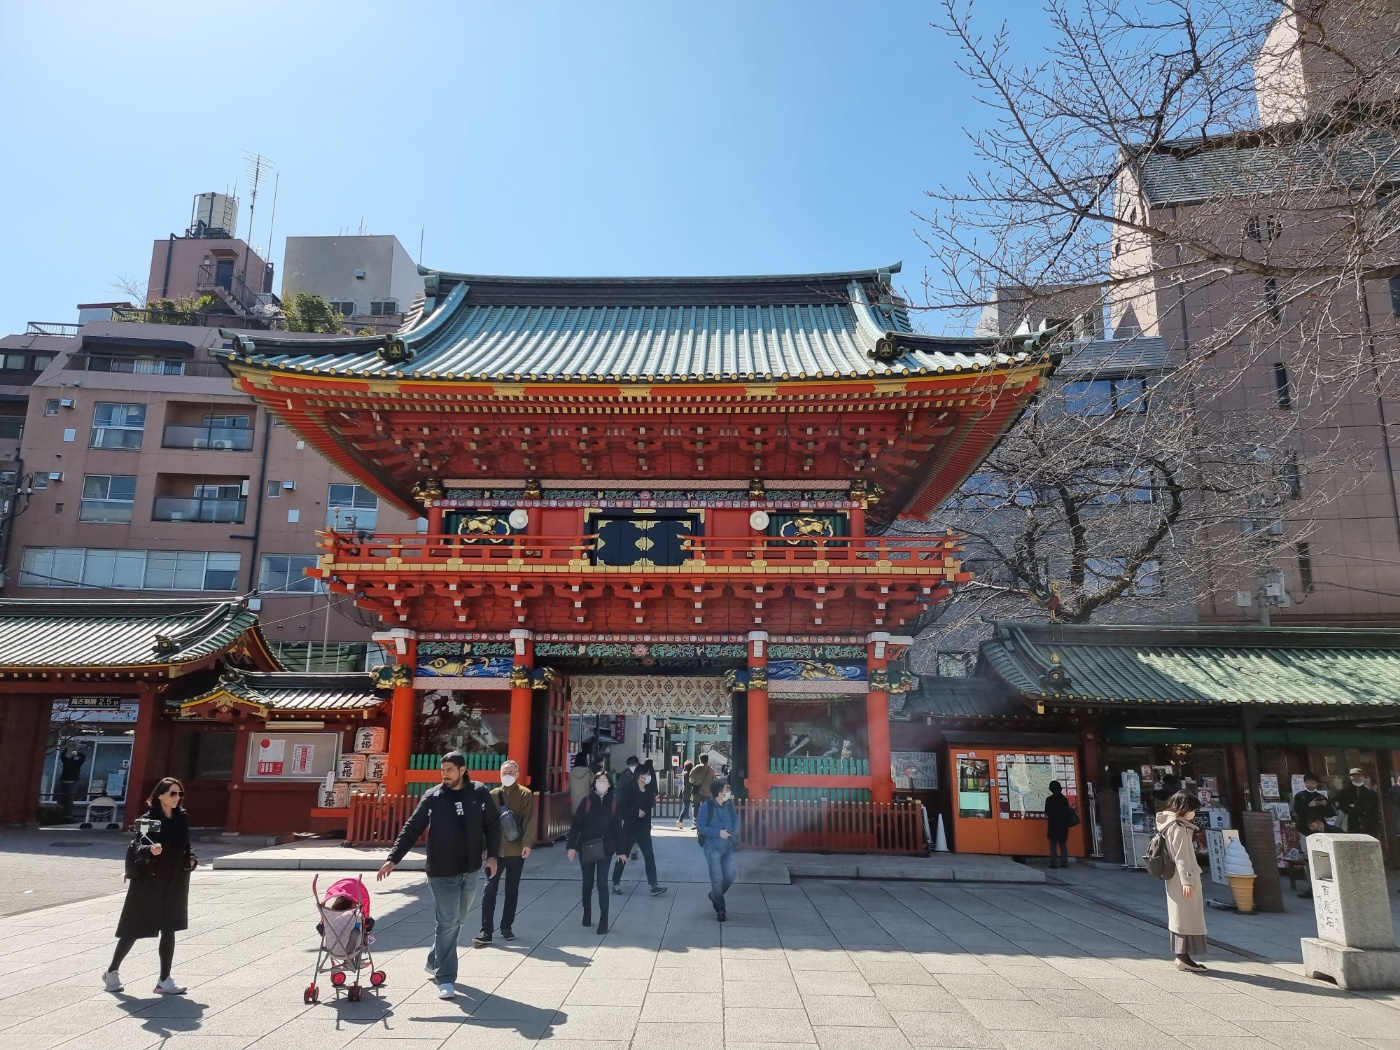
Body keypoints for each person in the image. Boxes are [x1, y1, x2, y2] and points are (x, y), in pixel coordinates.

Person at [378, 752, 500, 1000]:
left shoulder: (479, 793)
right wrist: (393, 858)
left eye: (450, 770)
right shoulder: (433, 797)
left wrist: (492, 856)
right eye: (443, 770)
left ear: (462, 770)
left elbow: (492, 825)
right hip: (441, 872)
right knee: (448, 921)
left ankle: (434, 959)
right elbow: (412, 827)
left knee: (458, 920)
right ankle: (445, 977)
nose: (445, 774)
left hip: (470, 869)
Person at [102, 777, 196, 995]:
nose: (177, 797)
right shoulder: (148, 819)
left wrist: (192, 859)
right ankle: (112, 971)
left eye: (180, 793)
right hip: (150, 880)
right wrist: (150, 850)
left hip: (175, 878)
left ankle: (164, 980)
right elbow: (137, 846)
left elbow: (186, 844)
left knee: (170, 927)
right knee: (134, 927)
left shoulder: (181, 817)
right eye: (172, 793)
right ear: (160, 795)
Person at [475, 759, 535, 945]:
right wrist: (482, 847)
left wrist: (527, 843)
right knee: (489, 888)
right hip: (495, 850)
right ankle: (486, 930)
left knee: (512, 889)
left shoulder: (525, 794)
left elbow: (529, 820)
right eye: (504, 772)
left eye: (511, 772)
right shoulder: (493, 794)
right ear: (499, 775)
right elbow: (484, 823)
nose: (507, 775)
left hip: (516, 849)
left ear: (517, 774)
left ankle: (506, 927)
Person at [566, 766, 626, 934]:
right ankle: (587, 912)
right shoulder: (586, 802)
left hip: (606, 848)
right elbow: (576, 825)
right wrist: (571, 846)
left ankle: (603, 919)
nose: (601, 783)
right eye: (598, 781)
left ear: (609, 784)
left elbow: (618, 828)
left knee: (602, 883)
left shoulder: (614, 803)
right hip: (586, 846)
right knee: (587, 883)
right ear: (593, 784)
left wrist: (621, 850)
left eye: (604, 781)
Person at [1156, 791, 1207, 972]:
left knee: (1179, 918)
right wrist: (1187, 881)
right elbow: (1182, 856)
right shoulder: (1179, 827)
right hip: (1184, 877)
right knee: (1187, 918)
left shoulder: (1167, 824)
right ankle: (1184, 958)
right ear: (1185, 808)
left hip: (1173, 877)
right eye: (1192, 809)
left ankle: (1182, 957)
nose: (1194, 813)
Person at [613, 760, 668, 897]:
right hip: (630, 829)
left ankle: (654, 885)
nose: (648, 776)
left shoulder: (649, 791)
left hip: (644, 830)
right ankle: (615, 883)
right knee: (623, 856)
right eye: (646, 774)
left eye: (649, 774)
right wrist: (635, 812)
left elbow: (649, 807)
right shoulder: (629, 790)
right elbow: (621, 810)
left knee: (649, 857)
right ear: (639, 776)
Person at [698, 777, 739, 922]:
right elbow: (700, 827)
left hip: (727, 847)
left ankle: (715, 895)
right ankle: (721, 910)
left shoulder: (729, 805)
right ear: (719, 791)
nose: (729, 790)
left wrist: (734, 832)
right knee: (717, 879)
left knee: (730, 876)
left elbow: (735, 820)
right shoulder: (707, 806)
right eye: (727, 788)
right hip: (712, 848)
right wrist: (718, 833)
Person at [1292, 772, 1335, 899]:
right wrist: (1308, 806)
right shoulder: (1300, 796)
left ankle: (1324, 885)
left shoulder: (1321, 796)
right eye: (1309, 782)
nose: (1311, 785)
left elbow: (1330, 813)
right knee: (1308, 858)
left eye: (1313, 783)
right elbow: (1298, 811)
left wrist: (1325, 805)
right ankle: (1312, 886)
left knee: (1322, 857)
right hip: (1305, 829)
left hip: (1320, 830)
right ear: (1305, 783)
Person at [1336, 768, 1381, 838]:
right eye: (1354, 776)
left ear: (1363, 777)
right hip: (1352, 823)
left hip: (1369, 824)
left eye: (1359, 776)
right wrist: (1356, 810)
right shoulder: (1344, 792)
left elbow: (1375, 808)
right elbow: (1342, 806)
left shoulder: (1371, 793)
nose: (1356, 778)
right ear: (1350, 778)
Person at [1044, 780, 1073, 869]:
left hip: (1053, 824)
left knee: (1053, 845)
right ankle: (1064, 863)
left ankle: (1054, 863)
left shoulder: (1049, 799)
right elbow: (1067, 812)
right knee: (1063, 844)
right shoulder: (1065, 800)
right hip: (1063, 825)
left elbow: (1047, 812)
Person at [57, 747, 87, 820]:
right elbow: (62, 756)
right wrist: (67, 749)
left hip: (72, 782)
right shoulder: (66, 761)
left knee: (69, 799)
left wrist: (77, 752)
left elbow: (83, 757)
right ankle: (59, 814)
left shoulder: (77, 762)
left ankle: (68, 815)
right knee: (62, 799)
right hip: (64, 781)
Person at [676, 759, 695, 829]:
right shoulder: (691, 774)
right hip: (691, 792)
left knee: (685, 807)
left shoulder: (684, 773)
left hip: (685, 792)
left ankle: (680, 820)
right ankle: (694, 822)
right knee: (694, 806)